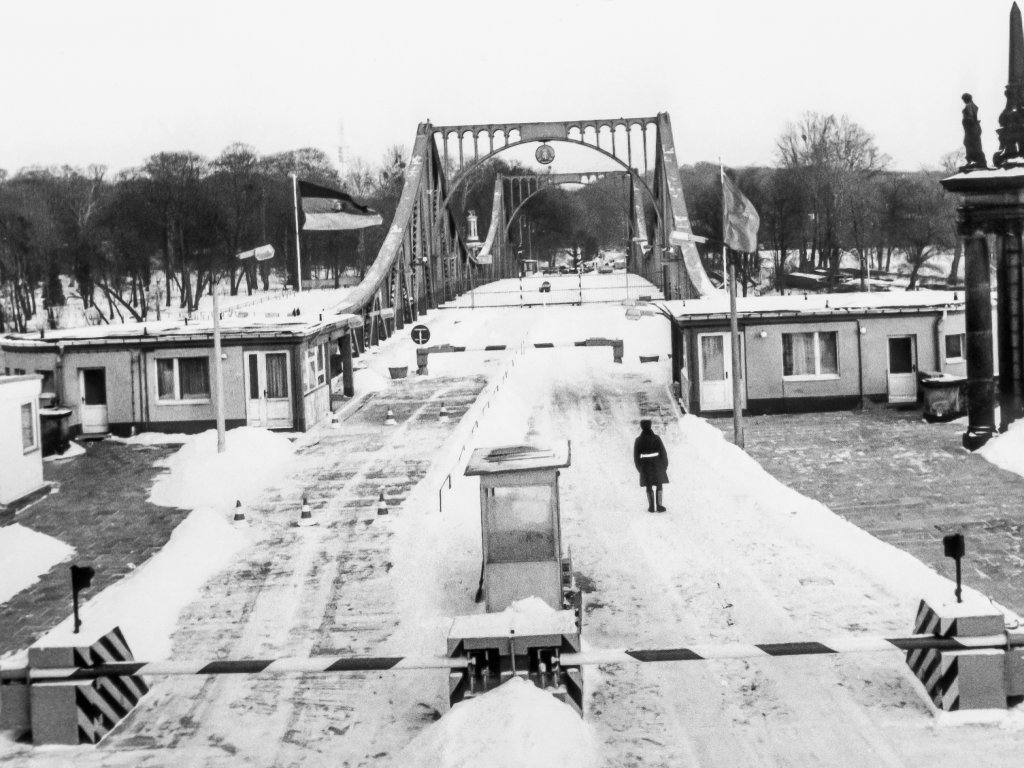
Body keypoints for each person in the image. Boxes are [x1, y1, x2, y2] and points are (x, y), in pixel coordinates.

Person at [633, 419, 669, 512]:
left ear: (642, 427)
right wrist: (664, 466)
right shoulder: (656, 438)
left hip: (645, 466)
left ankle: (651, 507)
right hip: (657, 465)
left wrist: (640, 468)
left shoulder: (638, 440)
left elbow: (636, 457)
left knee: (648, 486)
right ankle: (659, 505)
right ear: (650, 426)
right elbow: (663, 453)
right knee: (659, 484)